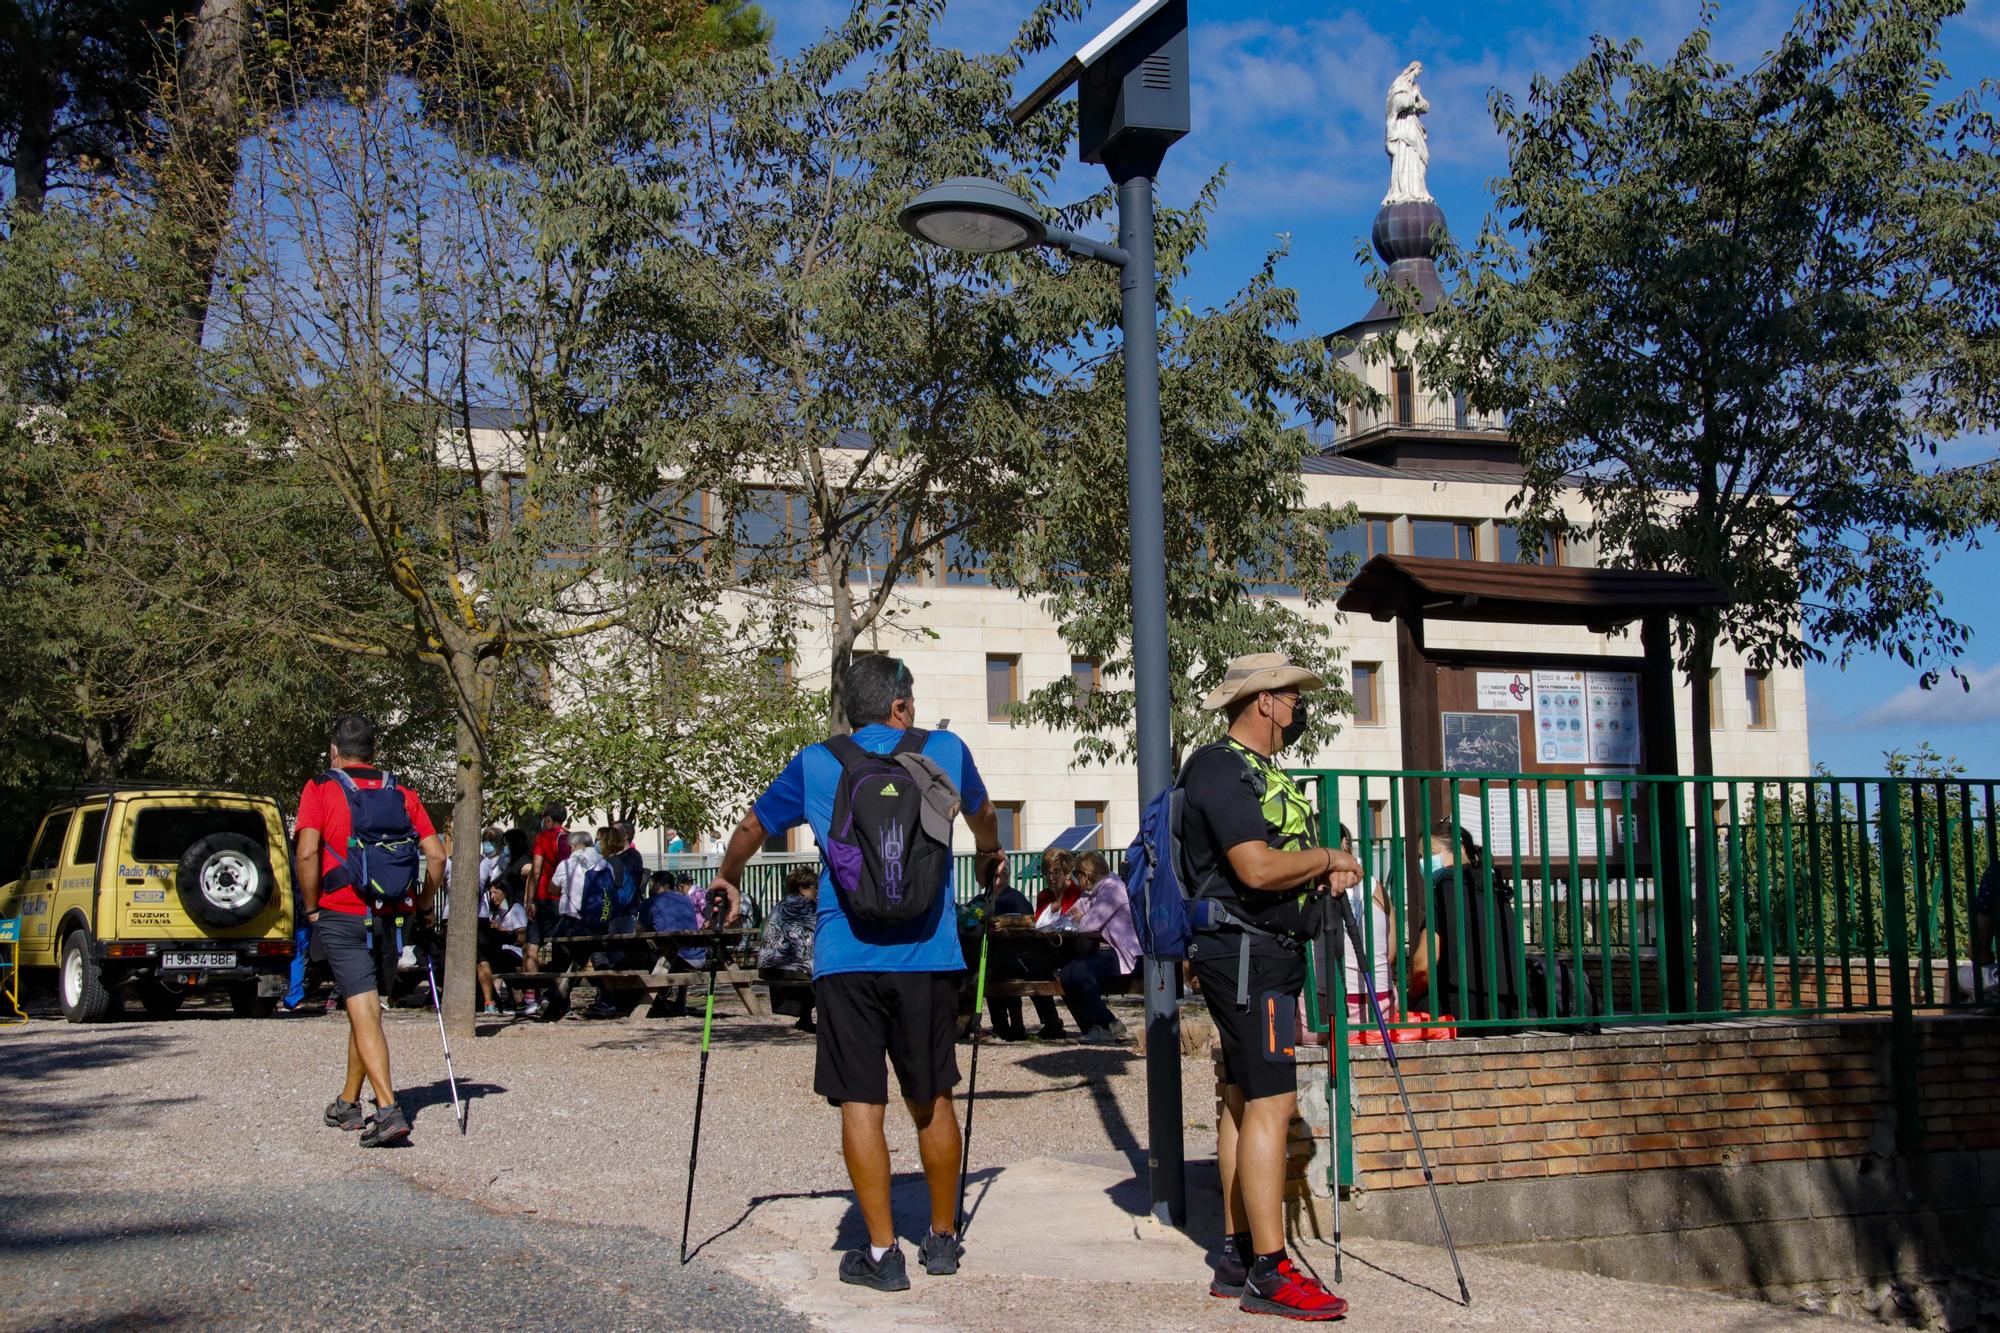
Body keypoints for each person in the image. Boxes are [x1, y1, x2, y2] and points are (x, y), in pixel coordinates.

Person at [712, 655, 1003, 1292]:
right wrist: (988, 855)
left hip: (846, 959)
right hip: (928, 957)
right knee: (932, 1099)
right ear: (899, 707)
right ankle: (944, 1238)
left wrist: (730, 879)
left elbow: (751, 827)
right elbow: (983, 817)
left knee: (862, 1103)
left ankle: (880, 1253)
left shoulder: (819, 762)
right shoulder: (946, 752)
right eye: (912, 699)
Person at [1181, 653, 1360, 1320]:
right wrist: (1329, 857)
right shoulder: (1221, 768)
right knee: (1272, 1102)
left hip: (1262, 953)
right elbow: (1254, 868)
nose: (1297, 708)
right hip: (1249, 957)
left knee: (1240, 1098)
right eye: (1291, 696)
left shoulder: (1254, 772)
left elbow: (1271, 866)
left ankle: (1236, 1253)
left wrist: (1315, 874)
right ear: (1264, 702)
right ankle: (1269, 1268)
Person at [293, 713, 445, 1148]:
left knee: (364, 1008)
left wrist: (312, 907)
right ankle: (347, 1102)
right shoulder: (400, 791)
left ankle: (387, 1109)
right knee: (365, 1008)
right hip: (390, 915)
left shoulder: (321, 788)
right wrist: (422, 904)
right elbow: (436, 857)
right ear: (374, 751)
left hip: (341, 912)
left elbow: (306, 853)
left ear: (334, 751)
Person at [1057, 850, 1139, 1044]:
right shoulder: (1094, 891)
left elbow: (1088, 924)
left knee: (1079, 971)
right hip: (1111, 951)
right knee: (1065, 974)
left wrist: (1080, 919)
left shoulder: (1111, 889)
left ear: (1086, 875)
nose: (1078, 883)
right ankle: (1092, 1028)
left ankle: (1109, 1024)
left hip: (1127, 954)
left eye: (1079, 877)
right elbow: (1071, 915)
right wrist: (1074, 918)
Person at [760, 866, 820, 1032]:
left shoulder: (780, 906)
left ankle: (805, 1018)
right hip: (793, 967)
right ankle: (818, 1019)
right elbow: (823, 930)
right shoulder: (808, 906)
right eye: (815, 888)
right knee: (825, 971)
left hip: (768, 967)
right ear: (803, 889)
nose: (817, 892)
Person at [525, 802, 570, 978]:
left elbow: (536, 870)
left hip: (543, 896)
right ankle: (559, 993)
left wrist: (530, 900)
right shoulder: (569, 839)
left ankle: (531, 995)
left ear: (548, 819)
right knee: (558, 945)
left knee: (532, 945)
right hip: (562, 898)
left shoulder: (543, 838)